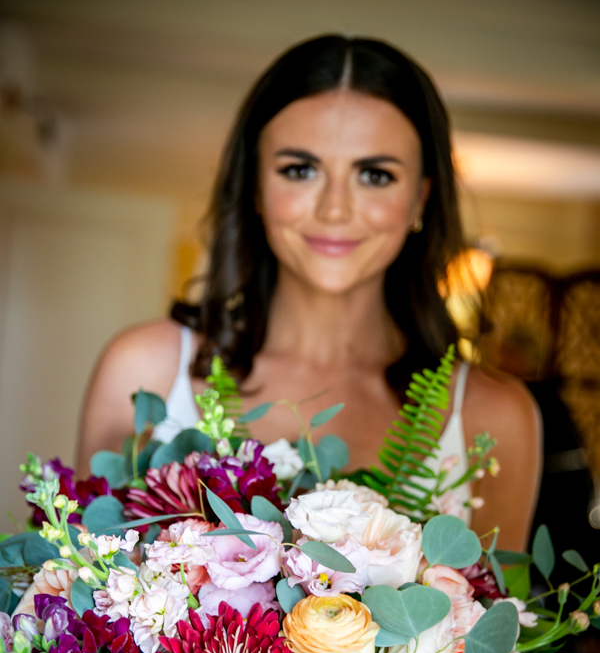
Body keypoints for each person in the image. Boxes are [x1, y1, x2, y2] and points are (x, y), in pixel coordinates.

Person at [76, 35, 540, 550]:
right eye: (300, 170)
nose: (335, 209)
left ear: (420, 199)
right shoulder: (147, 371)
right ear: (255, 186)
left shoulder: (493, 417)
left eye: (374, 174)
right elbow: (79, 605)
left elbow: (510, 623)